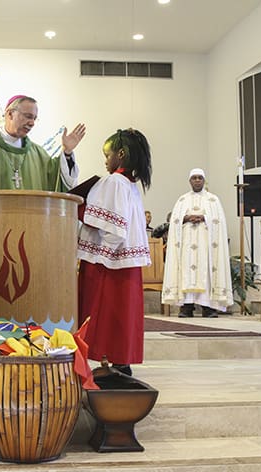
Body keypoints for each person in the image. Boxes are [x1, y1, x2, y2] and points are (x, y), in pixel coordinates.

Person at [77, 128, 152, 377]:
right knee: (122, 316)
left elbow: (108, 224)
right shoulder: (130, 185)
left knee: (102, 314)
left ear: (121, 154)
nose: (106, 161)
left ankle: (103, 362)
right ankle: (121, 362)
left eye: (108, 155)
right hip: (125, 263)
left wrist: (78, 208)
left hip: (107, 262)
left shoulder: (112, 182)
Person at [0, 95, 86, 191]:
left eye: (34, 118)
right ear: (10, 114)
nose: (32, 123)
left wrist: (67, 153)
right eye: (28, 116)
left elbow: (57, 182)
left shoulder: (38, 154)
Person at [162, 168, 233, 318]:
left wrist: (203, 218)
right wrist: (186, 218)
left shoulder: (213, 200)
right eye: (194, 178)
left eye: (200, 178)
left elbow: (219, 222)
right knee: (186, 272)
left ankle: (208, 308)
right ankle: (186, 307)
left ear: (204, 180)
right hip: (186, 244)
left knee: (205, 272)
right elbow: (174, 221)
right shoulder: (182, 200)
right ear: (189, 181)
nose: (197, 180)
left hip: (205, 245)